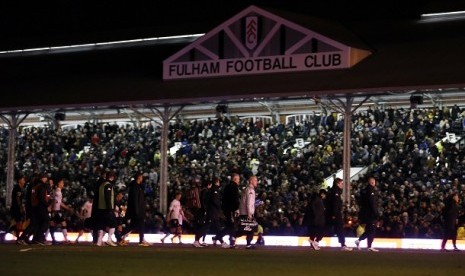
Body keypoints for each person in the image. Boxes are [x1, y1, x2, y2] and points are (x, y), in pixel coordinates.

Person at [120, 172, 151, 246]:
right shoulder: (135, 187)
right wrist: (137, 211)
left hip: (137, 210)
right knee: (138, 225)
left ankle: (141, 240)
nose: (142, 179)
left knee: (135, 225)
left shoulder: (137, 186)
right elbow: (135, 200)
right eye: (141, 177)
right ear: (139, 177)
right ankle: (141, 241)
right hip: (137, 210)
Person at [214, 173, 241, 248]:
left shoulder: (227, 186)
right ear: (235, 179)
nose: (239, 181)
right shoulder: (234, 187)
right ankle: (231, 242)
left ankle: (218, 236)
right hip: (231, 210)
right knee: (232, 226)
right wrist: (236, 209)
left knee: (229, 226)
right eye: (238, 179)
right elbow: (235, 199)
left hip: (226, 209)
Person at [326, 178, 352, 251]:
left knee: (327, 227)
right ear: (337, 183)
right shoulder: (336, 192)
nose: (342, 185)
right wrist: (334, 214)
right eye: (341, 183)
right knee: (340, 229)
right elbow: (335, 204)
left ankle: (314, 239)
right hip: (336, 214)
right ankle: (343, 245)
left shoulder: (334, 191)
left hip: (333, 213)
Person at [355, 176, 379, 252]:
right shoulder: (370, 190)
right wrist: (375, 213)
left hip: (365, 214)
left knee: (369, 230)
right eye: (374, 182)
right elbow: (372, 203)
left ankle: (360, 242)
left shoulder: (364, 191)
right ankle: (369, 246)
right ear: (372, 182)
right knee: (371, 230)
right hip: (371, 214)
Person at [95, 171, 118, 246]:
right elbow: (108, 198)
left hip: (100, 208)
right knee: (114, 223)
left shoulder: (101, 185)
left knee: (101, 224)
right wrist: (110, 209)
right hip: (106, 208)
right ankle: (109, 239)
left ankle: (99, 241)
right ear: (111, 177)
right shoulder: (108, 185)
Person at [49, 177, 73, 244]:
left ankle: (53, 240)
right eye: (62, 183)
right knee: (63, 223)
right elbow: (54, 200)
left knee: (53, 224)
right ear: (59, 183)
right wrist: (53, 210)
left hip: (56, 210)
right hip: (56, 210)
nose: (63, 184)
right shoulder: (57, 191)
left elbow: (59, 202)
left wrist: (67, 208)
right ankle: (65, 240)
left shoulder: (58, 191)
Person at [237, 175, 259, 249]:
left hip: (243, 212)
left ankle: (248, 243)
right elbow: (249, 203)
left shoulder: (246, 189)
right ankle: (233, 237)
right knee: (247, 229)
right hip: (246, 213)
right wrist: (250, 214)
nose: (257, 182)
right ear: (251, 181)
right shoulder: (250, 190)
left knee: (248, 229)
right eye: (255, 180)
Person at [9, 175, 26, 240]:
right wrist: (20, 207)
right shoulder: (17, 188)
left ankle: (17, 236)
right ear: (19, 180)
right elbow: (17, 198)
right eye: (23, 179)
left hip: (16, 207)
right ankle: (18, 237)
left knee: (18, 222)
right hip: (16, 208)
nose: (24, 181)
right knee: (19, 222)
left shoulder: (20, 188)